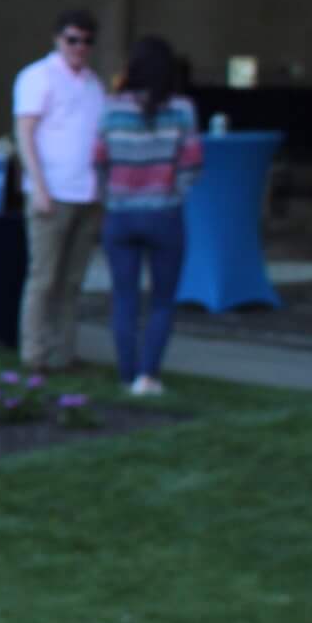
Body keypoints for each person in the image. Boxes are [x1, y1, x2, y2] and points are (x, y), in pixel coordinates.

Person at [95, 35, 203, 396]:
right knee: (161, 300)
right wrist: (173, 194)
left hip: (120, 214)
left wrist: (110, 195)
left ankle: (127, 374)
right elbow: (191, 163)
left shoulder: (111, 109)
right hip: (163, 214)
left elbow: (98, 159)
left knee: (124, 298)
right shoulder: (183, 110)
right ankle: (148, 376)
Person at [13, 8, 108, 370]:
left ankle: (63, 352)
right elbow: (25, 133)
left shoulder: (93, 84)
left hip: (87, 193)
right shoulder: (38, 77)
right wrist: (39, 186)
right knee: (44, 279)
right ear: (58, 38)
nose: (79, 47)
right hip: (51, 193)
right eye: (73, 39)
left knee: (71, 281)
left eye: (86, 41)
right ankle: (34, 354)